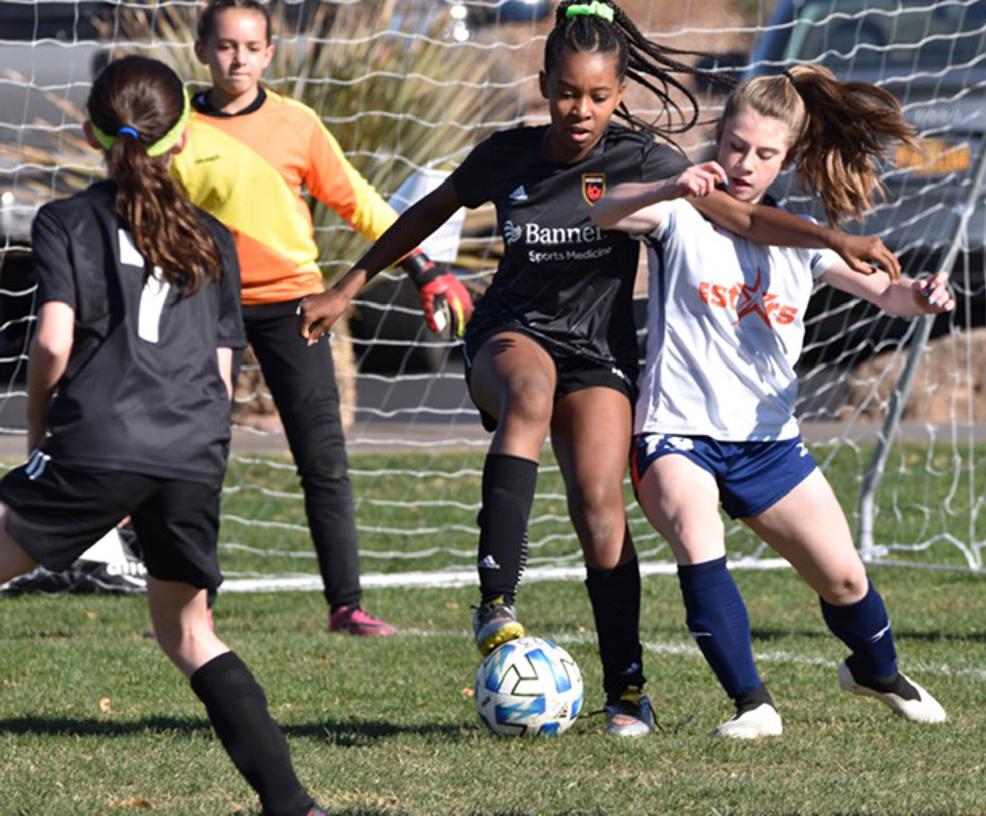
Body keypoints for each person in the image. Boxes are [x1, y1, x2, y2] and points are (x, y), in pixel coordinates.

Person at [298, 1, 901, 737]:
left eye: (597, 96)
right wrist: (348, 284)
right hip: (513, 331)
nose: (579, 110)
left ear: (618, 95)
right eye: (565, 92)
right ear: (544, 80)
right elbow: (424, 213)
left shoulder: (647, 159)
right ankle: (497, 601)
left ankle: (627, 691)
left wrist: (834, 237)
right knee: (529, 390)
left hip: (601, 350)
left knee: (601, 508)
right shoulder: (508, 154)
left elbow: (743, 219)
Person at [0, 56, 326, 815]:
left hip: (98, 440)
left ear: (88, 134)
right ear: (184, 141)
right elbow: (217, 368)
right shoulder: (213, 234)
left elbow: (52, 341)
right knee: (188, 635)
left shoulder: (67, 220)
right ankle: (294, 804)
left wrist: (43, 435)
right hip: (190, 452)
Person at [591, 64, 951, 739]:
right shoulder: (682, 213)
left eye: (763, 153)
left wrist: (924, 296)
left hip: (768, 444)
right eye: (734, 145)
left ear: (787, 156)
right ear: (717, 136)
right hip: (678, 435)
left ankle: (877, 671)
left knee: (845, 583)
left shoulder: (801, 238)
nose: (744, 164)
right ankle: (753, 704)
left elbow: (890, 295)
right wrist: (672, 182)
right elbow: (602, 207)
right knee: (699, 538)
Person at [172, 0, 473, 636]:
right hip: (205, 310)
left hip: (294, 308)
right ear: (202, 51)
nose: (239, 59)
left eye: (252, 47)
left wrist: (423, 269)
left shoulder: (296, 124)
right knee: (194, 457)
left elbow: (358, 201)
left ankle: (346, 604)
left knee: (323, 458)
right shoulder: (178, 130)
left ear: (270, 54)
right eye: (226, 46)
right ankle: (188, 604)